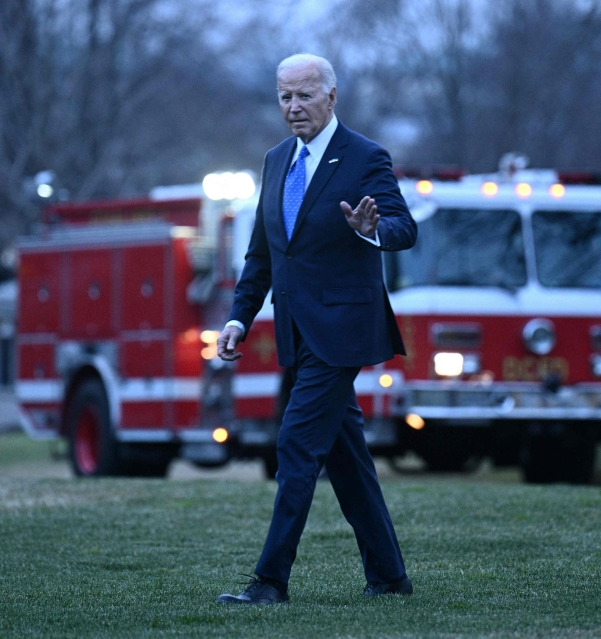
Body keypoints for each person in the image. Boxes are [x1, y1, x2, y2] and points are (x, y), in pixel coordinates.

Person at [215, 53, 418, 605]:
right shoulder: (277, 159)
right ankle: (390, 576)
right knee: (346, 458)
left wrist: (371, 229)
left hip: (345, 329)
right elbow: (263, 255)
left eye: (304, 95)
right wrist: (238, 316)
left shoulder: (366, 156)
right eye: (284, 96)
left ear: (332, 97)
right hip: (298, 333)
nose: (293, 106)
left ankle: (269, 581)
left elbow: (404, 227)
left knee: (296, 445)